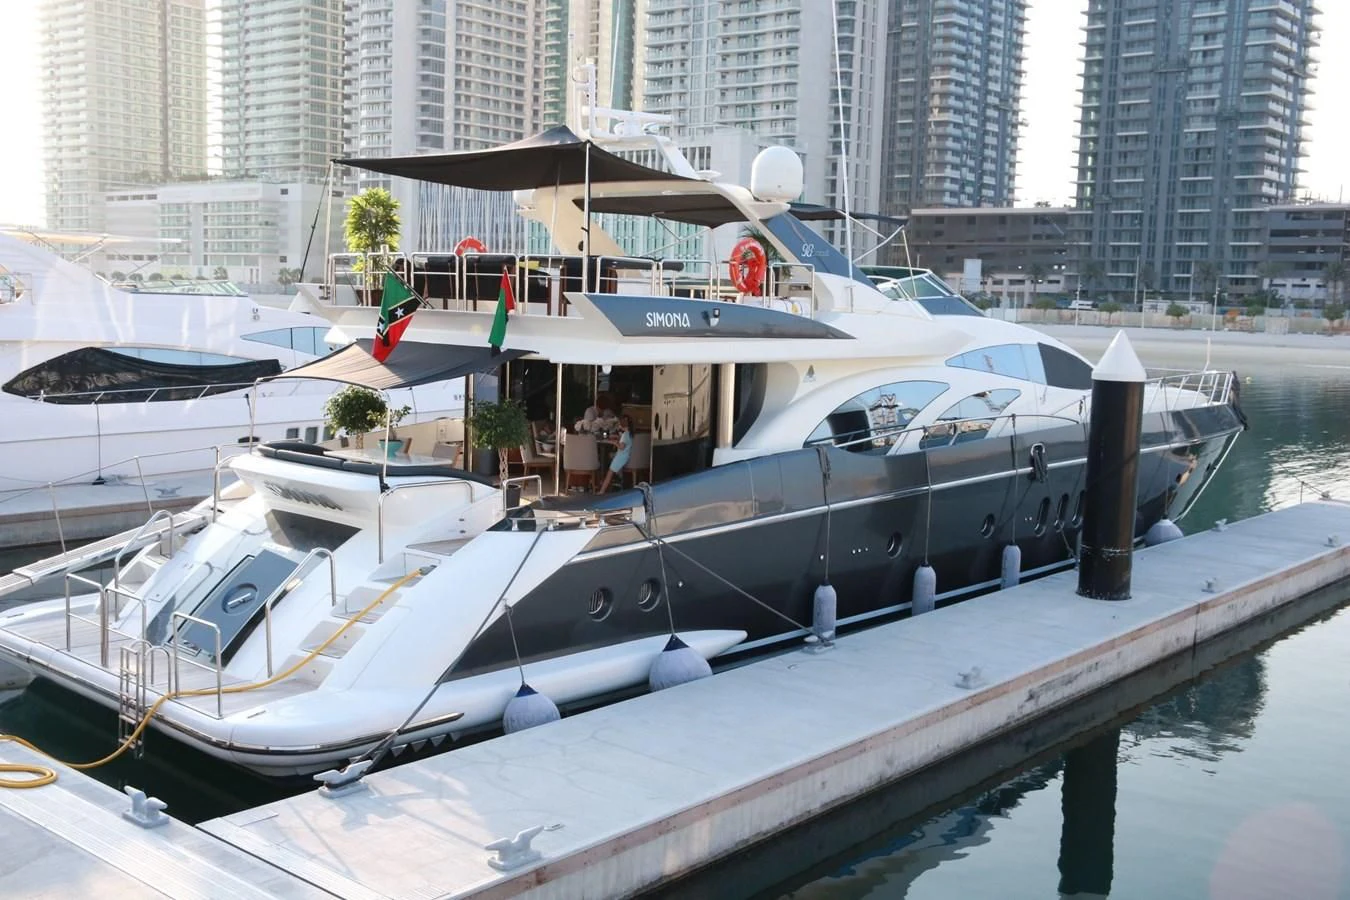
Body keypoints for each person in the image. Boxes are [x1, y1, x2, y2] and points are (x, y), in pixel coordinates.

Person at [598, 415, 632, 493]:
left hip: (620, 457)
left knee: (609, 474)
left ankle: (601, 492)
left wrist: (614, 442)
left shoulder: (625, 435)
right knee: (611, 473)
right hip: (625, 456)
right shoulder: (628, 434)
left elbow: (621, 447)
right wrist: (617, 438)